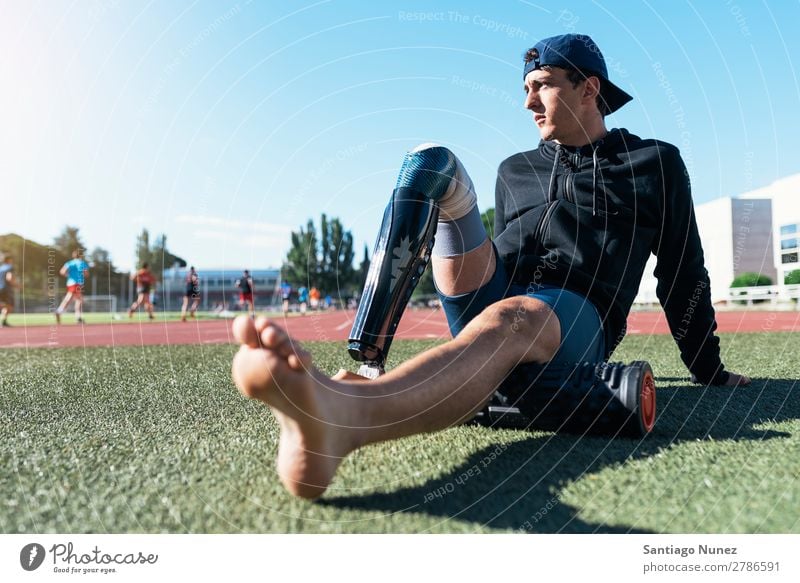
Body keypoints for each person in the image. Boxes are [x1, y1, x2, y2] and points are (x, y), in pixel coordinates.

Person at [230, 34, 749, 499]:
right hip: (494, 295)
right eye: (525, 88)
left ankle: (349, 415)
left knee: (513, 318)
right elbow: (494, 252)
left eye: (541, 86)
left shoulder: (655, 162)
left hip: (576, 316)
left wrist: (709, 368)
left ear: (589, 88)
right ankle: (369, 365)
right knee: (430, 163)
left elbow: (683, 270)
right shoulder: (514, 170)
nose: (527, 102)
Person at [55, 249, 90, 325]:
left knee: (77, 299)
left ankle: (75, 317)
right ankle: (75, 316)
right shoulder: (82, 263)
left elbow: (62, 271)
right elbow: (86, 274)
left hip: (70, 283)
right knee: (76, 299)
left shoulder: (69, 263)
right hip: (77, 283)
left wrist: (69, 276)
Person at [0, 253, 20, 327]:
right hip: (6, 289)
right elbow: (9, 278)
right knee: (10, 305)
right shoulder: (10, 267)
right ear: (9, 260)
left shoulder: (1, 268)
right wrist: (17, 285)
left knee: (5, 305)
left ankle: (3, 321)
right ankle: (4, 321)